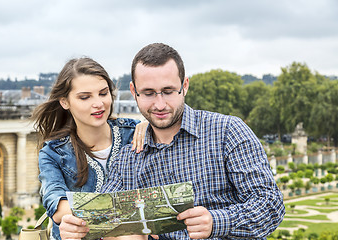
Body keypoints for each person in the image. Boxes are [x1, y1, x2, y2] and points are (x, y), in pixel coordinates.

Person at [60, 43, 285, 239]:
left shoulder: (227, 132)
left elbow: (271, 206)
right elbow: (103, 220)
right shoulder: (128, 158)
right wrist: (77, 227)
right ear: (134, 91)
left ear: (184, 86)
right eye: (148, 93)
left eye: (168, 91)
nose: (159, 104)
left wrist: (216, 222)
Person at [32, 57, 148, 240]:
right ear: (65, 102)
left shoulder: (135, 133)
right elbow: (56, 204)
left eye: (103, 93)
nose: (98, 104)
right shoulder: (53, 152)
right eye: (85, 97)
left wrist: (153, 126)